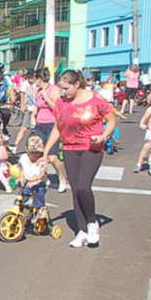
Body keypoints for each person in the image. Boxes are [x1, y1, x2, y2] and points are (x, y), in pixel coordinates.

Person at [44, 69, 117, 248]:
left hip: (91, 148)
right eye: (61, 88)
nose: (63, 92)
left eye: (66, 88)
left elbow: (112, 121)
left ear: (77, 84)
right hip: (70, 148)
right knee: (76, 190)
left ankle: (92, 223)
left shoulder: (96, 99)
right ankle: (82, 230)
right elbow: (57, 128)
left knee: (84, 186)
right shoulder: (61, 103)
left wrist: (103, 136)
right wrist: (45, 152)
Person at [31, 70, 69, 192]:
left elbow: (57, 107)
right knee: (39, 154)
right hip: (40, 125)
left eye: (35, 79)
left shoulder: (54, 89)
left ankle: (61, 177)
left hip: (52, 125)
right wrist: (33, 116)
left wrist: (46, 97)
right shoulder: (38, 91)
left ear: (39, 79)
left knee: (52, 157)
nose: (35, 82)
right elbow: (37, 106)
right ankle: (44, 177)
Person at [18, 136, 49, 210]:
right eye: (33, 152)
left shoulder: (41, 160)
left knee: (37, 190)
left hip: (39, 182)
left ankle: (40, 207)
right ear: (27, 149)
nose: (35, 154)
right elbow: (21, 168)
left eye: (38, 152)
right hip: (27, 182)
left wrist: (37, 178)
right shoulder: (23, 158)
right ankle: (19, 209)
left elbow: (43, 173)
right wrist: (21, 177)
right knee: (21, 196)